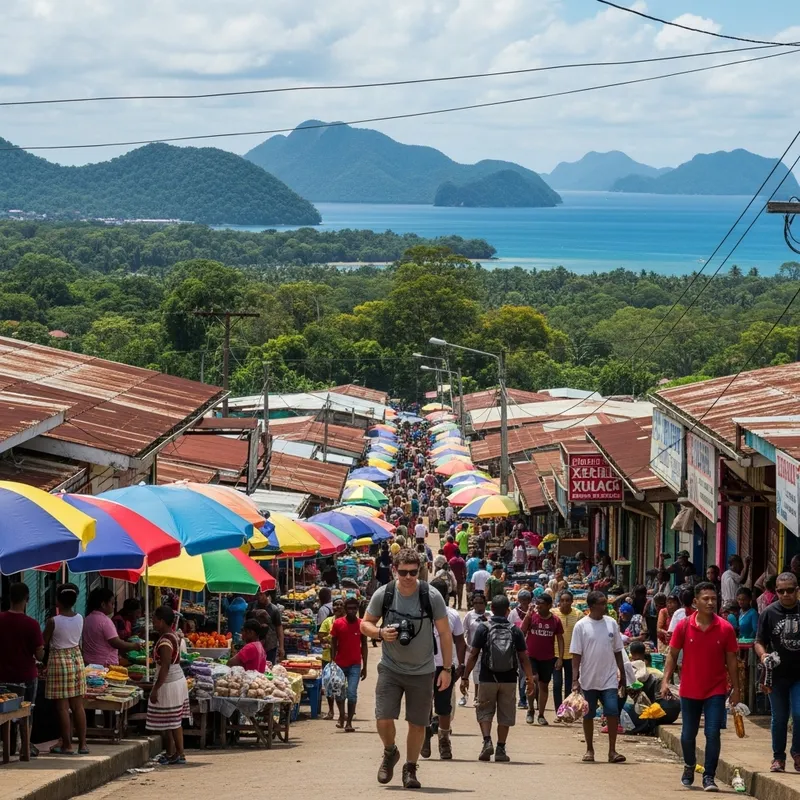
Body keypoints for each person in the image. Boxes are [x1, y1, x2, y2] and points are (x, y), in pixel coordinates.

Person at [362, 547, 453, 789]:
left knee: (418, 723)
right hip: (390, 668)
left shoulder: (431, 596)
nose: (408, 577)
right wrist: (380, 633)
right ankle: (390, 751)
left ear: (420, 571)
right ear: (394, 570)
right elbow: (365, 624)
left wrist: (446, 669)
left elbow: (445, 634)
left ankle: (410, 768)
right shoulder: (385, 594)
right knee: (383, 718)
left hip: (423, 671)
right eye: (403, 572)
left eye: (413, 572)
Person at [661, 581, 739, 792]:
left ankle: (709, 776)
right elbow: (672, 654)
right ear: (695, 602)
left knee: (713, 733)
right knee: (688, 734)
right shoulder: (684, 626)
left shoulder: (725, 628)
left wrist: (736, 690)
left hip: (716, 690)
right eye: (706, 599)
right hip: (690, 689)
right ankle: (689, 765)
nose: (711, 602)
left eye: (714, 598)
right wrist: (665, 680)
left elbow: (732, 660)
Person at [461, 594, 534, 763]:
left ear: (491, 610)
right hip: (509, 679)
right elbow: (524, 657)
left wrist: (465, 677)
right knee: (505, 714)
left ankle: (487, 741)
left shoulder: (483, 627)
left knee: (485, 711)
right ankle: (501, 748)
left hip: (487, 677)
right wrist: (529, 679)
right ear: (508, 610)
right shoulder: (515, 630)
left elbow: (473, 655)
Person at [571, 590, 627, 765]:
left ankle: (612, 750)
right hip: (588, 678)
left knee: (612, 711)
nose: (606, 606)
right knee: (588, 715)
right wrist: (575, 679)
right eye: (602, 603)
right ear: (593, 605)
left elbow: (618, 651)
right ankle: (589, 749)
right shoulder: (581, 626)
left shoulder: (611, 624)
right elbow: (576, 655)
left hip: (609, 678)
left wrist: (622, 674)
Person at [755, 571, 800, 773]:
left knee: (799, 714)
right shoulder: (769, 613)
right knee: (779, 718)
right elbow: (759, 642)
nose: (785, 594)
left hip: (799, 675)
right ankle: (778, 758)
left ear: (797, 591)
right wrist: (764, 656)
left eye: (790, 590)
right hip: (777, 676)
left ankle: (797, 753)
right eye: (780, 591)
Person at [421, 579, 466, 761]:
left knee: (440, 706)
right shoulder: (423, 614)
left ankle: (443, 740)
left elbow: (460, 641)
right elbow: (461, 643)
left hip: (442, 666)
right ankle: (427, 736)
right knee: (433, 705)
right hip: (427, 666)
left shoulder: (451, 615)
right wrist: (460, 664)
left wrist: (459, 665)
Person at [0, 582, 44, 757]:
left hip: (2, 675)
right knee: (27, 711)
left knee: (5, 712)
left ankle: (8, 746)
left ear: (9, 598)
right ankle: (24, 748)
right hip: (26, 676)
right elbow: (40, 655)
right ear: (27, 599)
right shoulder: (31, 624)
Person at [44, 583, 88, 755]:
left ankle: (67, 745)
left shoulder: (53, 621)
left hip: (58, 661)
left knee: (62, 707)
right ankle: (83, 745)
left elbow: (44, 641)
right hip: (76, 659)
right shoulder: (80, 618)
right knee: (78, 706)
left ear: (58, 601)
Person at [147, 605, 191, 765]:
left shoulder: (166, 641)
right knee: (171, 721)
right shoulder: (171, 636)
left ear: (162, 622)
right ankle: (172, 752)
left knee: (172, 721)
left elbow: (165, 666)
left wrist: (155, 689)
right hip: (174, 680)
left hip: (169, 682)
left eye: (155, 621)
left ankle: (179, 753)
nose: (153, 624)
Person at [521, 592, 564, 725]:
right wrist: (527, 615)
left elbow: (560, 639)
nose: (538, 606)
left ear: (549, 605)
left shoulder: (555, 620)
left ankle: (541, 714)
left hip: (548, 657)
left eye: (542, 604)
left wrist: (560, 658)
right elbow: (522, 630)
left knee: (544, 686)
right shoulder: (532, 616)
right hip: (531, 656)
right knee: (532, 681)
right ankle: (530, 709)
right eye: (537, 603)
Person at [330, 597, 368, 732]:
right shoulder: (338, 624)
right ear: (345, 609)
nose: (352, 611)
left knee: (351, 693)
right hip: (340, 664)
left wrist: (365, 666)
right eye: (349, 608)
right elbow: (333, 643)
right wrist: (332, 662)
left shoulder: (362, 624)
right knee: (339, 693)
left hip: (355, 665)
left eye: (354, 608)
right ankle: (341, 715)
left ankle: (349, 722)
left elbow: (364, 645)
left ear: (358, 609)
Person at [82, 588, 139, 667]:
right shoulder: (105, 621)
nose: (113, 607)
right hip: (105, 664)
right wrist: (134, 646)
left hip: (89, 664)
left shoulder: (87, 619)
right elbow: (116, 642)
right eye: (112, 604)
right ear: (103, 604)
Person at [552, 590, 582, 722]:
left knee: (570, 685)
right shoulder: (553, 613)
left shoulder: (578, 614)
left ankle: (567, 711)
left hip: (572, 655)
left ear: (571, 601)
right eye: (562, 600)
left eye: (567, 600)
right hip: (555, 654)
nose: (564, 603)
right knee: (557, 684)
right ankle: (559, 712)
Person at [462, 592, 489, 707]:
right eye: (475, 603)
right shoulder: (469, 615)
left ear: (485, 604)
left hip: (487, 650)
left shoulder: (490, 615)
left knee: (483, 674)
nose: (478, 605)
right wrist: (466, 648)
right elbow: (463, 632)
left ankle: (481, 696)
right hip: (473, 650)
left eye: (481, 603)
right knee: (474, 674)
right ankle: (471, 696)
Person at [319, 598, 346, 717]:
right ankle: (331, 710)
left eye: (341, 605)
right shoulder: (327, 622)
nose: (338, 607)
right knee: (328, 683)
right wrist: (328, 641)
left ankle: (342, 711)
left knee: (343, 685)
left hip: (344, 658)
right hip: (328, 658)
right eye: (335, 605)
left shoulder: (347, 622)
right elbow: (321, 637)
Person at [509, 589, 533, 709]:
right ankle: (523, 699)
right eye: (522, 600)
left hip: (533, 647)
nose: (524, 602)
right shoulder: (513, 613)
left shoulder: (533, 612)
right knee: (523, 674)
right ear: (519, 600)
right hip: (519, 649)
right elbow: (509, 630)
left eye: (526, 600)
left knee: (533, 674)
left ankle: (533, 698)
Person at [249, 591, 284, 664]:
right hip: (255, 644)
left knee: (269, 666)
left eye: (261, 594)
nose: (259, 597)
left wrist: (281, 647)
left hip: (270, 645)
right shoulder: (253, 606)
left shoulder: (274, 610)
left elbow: (279, 628)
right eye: (258, 594)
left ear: (267, 595)